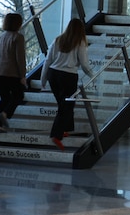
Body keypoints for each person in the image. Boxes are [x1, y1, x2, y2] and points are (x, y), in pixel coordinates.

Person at [40, 18, 94, 151]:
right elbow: (84, 64)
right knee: (67, 106)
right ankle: (56, 135)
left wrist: (43, 79)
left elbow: (48, 60)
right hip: (68, 76)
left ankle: (65, 129)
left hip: (53, 74)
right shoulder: (79, 42)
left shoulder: (58, 39)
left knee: (63, 104)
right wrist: (93, 76)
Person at [0, 12, 27, 133]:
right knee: (19, 96)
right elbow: (20, 58)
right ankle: (5, 115)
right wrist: (22, 75)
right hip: (10, 73)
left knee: (5, 98)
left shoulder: (2, 36)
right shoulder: (18, 37)